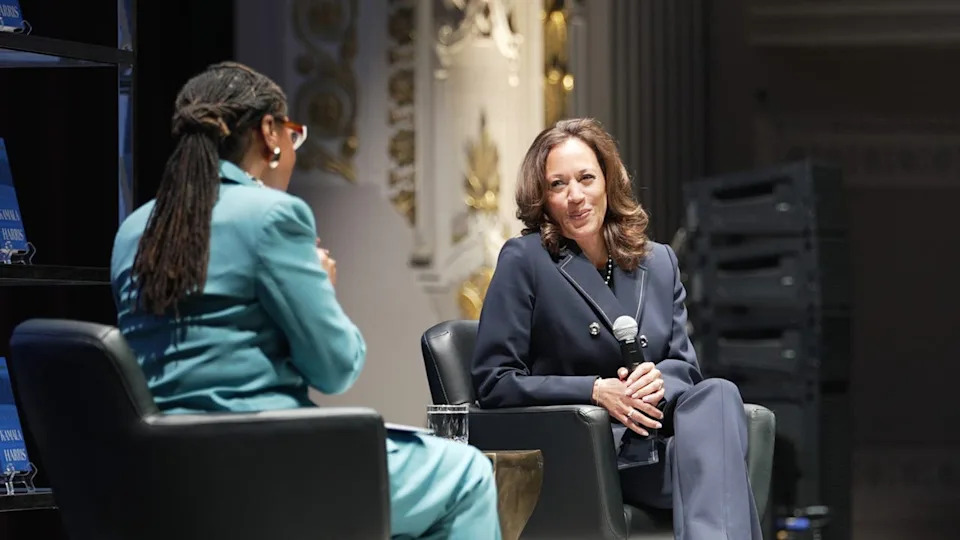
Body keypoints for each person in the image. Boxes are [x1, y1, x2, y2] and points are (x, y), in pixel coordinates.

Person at [110, 61, 501, 540]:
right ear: (270, 134)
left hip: (160, 475)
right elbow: (336, 368)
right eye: (293, 135)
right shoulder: (275, 216)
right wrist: (322, 287)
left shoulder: (134, 230)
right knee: (465, 473)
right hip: (268, 465)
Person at [471, 118, 761, 539]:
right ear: (543, 198)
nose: (575, 196)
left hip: (656, 445)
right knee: (721, 479)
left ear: (608, 180)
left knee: (719, 394)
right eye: (557, 185)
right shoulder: (526, 260)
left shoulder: (658, 262)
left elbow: (685, 367)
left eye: (586, 178)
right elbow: (494, 381)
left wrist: (656, 381)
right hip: (588, 451)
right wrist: (595, 390)